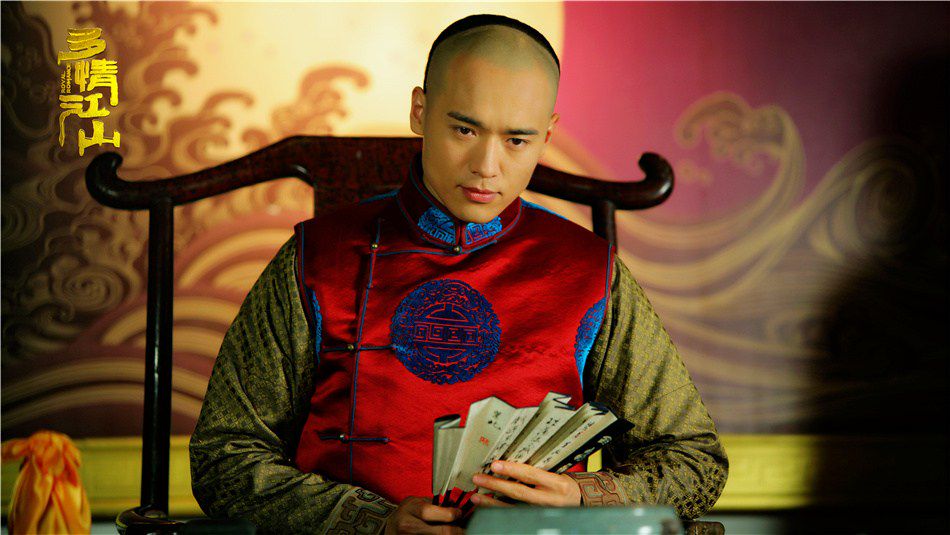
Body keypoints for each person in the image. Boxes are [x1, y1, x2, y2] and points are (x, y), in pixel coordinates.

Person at [189, 14, 727, 534]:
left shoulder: (589, 271)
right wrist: (371, 522)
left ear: (547, 134)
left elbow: (694, 462)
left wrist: (578, 496)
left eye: (517, 140)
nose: (487, 167)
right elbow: (223, 459)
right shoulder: (316, 258)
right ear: (420, 111)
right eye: (465, 129)